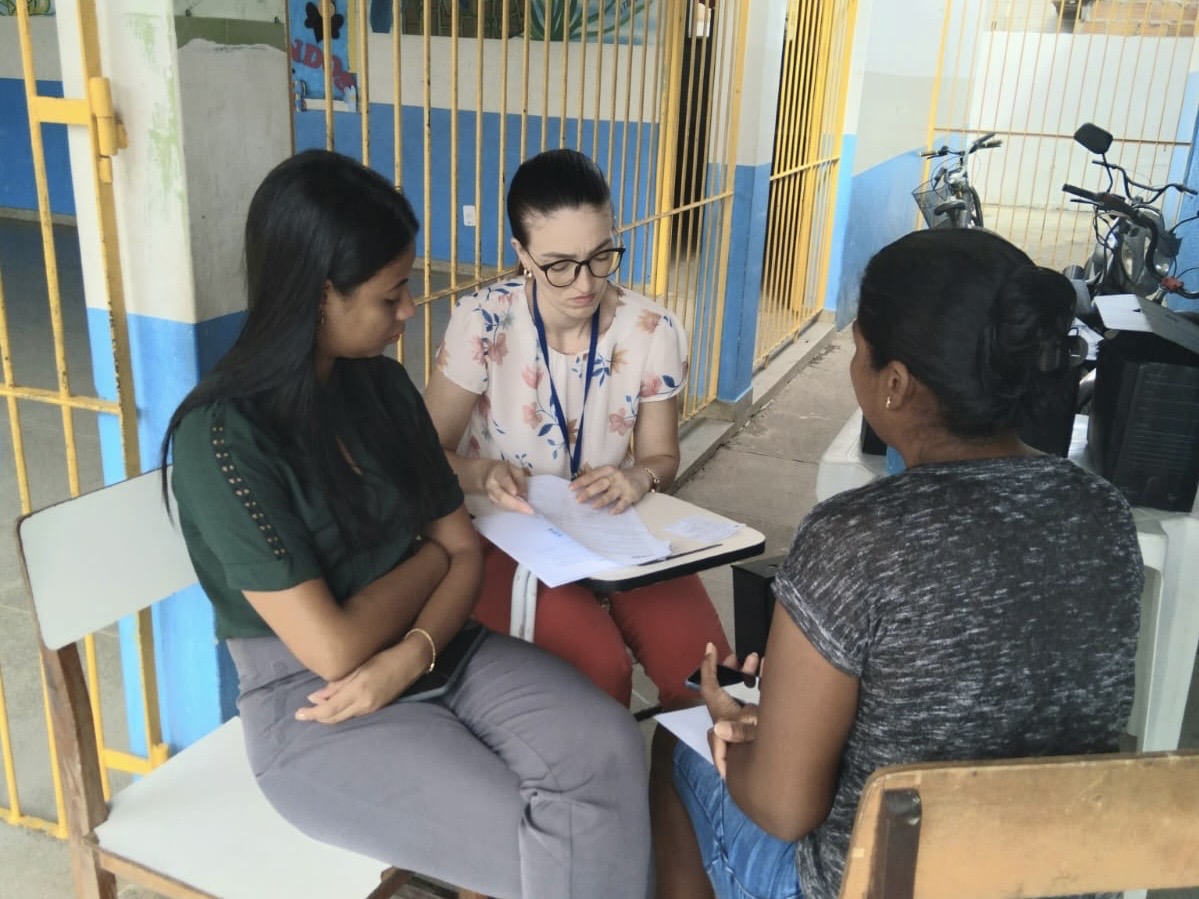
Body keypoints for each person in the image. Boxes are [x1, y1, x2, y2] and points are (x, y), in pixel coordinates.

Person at [162, 149, 651, 899]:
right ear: (321, 295)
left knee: (609, 746)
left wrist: (410, 651)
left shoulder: (382, 389)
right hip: (315, 704)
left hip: (440, 645)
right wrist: (429, 561)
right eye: (391, 294)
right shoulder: (224, 440)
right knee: (553, 836)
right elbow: (332, 647)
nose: (409, 310)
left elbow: (465, 553)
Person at [651, 228, 1144, 899]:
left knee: (675, 748)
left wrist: (730, 737)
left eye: (857, 351)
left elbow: (785, 809)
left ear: (894, 384)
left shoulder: (854, 538)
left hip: (878, 884)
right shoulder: (1103, 512)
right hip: (1055, 880)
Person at [423, 147, 732, 708]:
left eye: (601, 256)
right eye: (559, 265)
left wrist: (638, 478)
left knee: (709, 677)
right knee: (600, 670)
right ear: (522, 254)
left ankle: (681, 768)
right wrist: (480, 473)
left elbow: (661, 457)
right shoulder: (484, 322)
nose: (584, 283)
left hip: (611, 527)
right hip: (504, 532)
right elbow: (424, 455)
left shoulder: (652, 329)